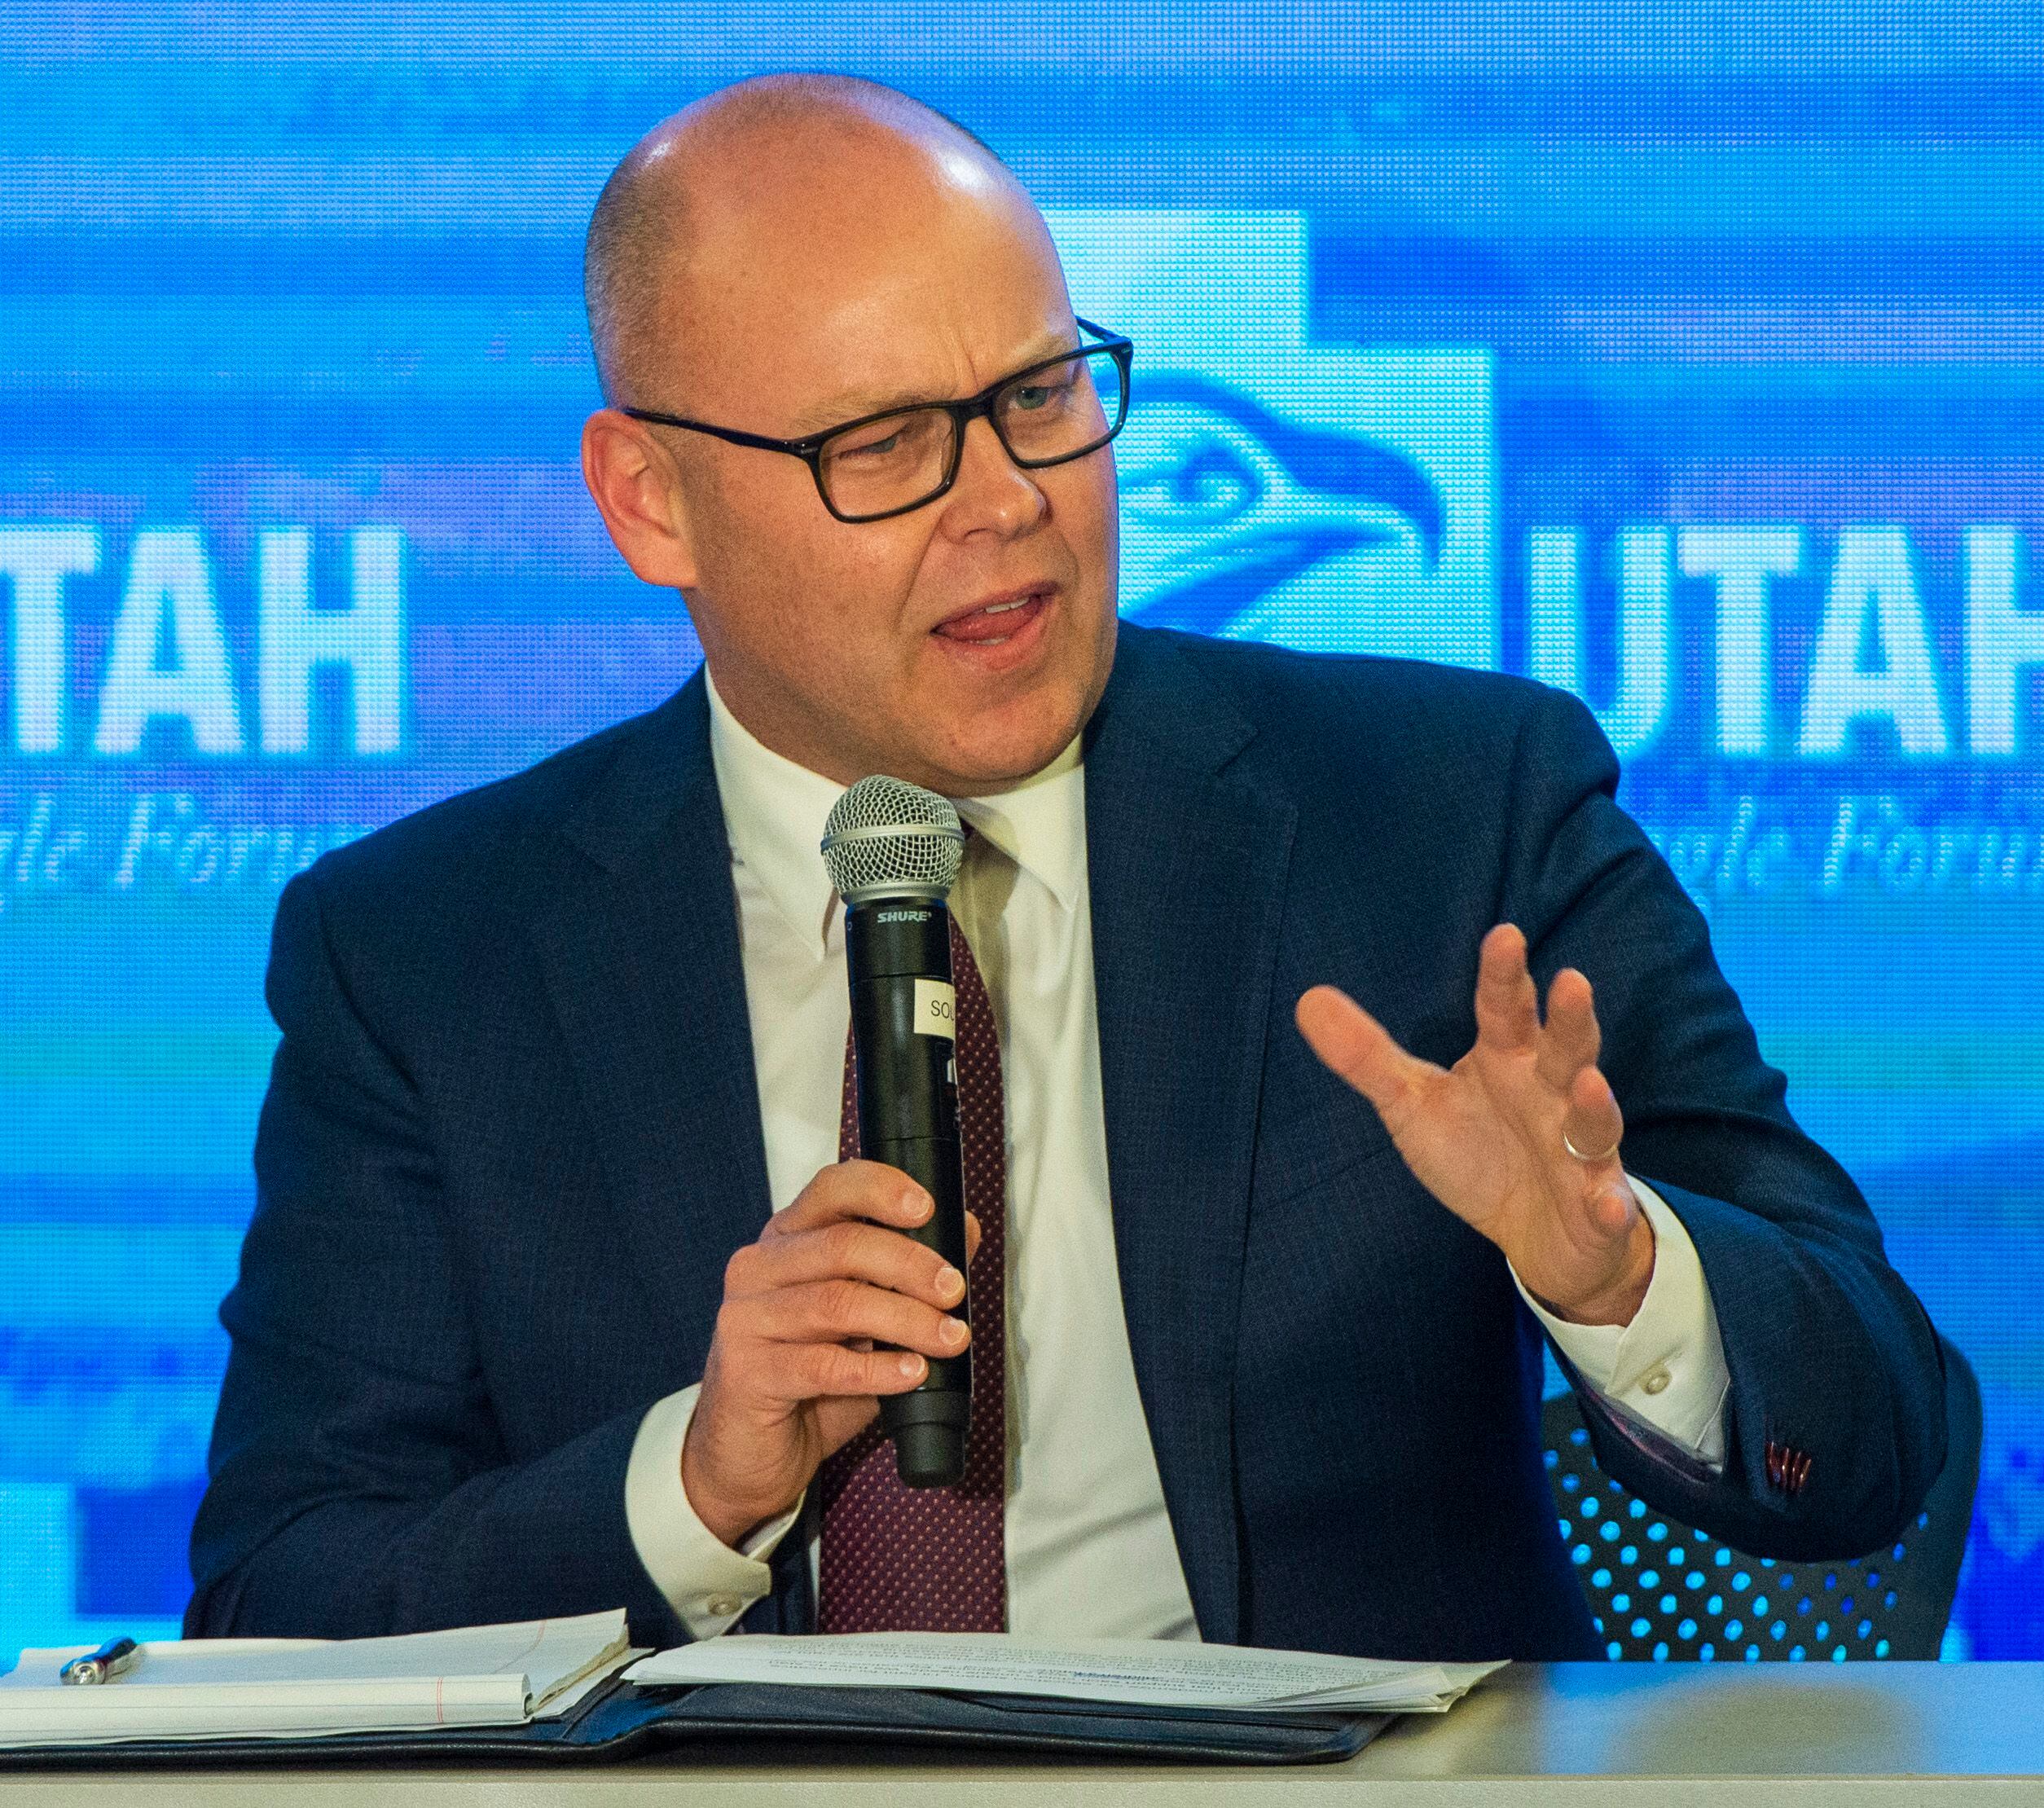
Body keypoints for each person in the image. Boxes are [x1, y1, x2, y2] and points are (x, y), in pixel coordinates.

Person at [186, 73, 1947, 1660]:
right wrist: (696, 1484)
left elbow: (1874, 1427)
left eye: (1038, 394)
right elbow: (285, 1596)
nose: (1008, 498)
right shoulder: (426, 955)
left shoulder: (1444, 808)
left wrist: (1617, 1267)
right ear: (650, 504)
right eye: (881, 445)